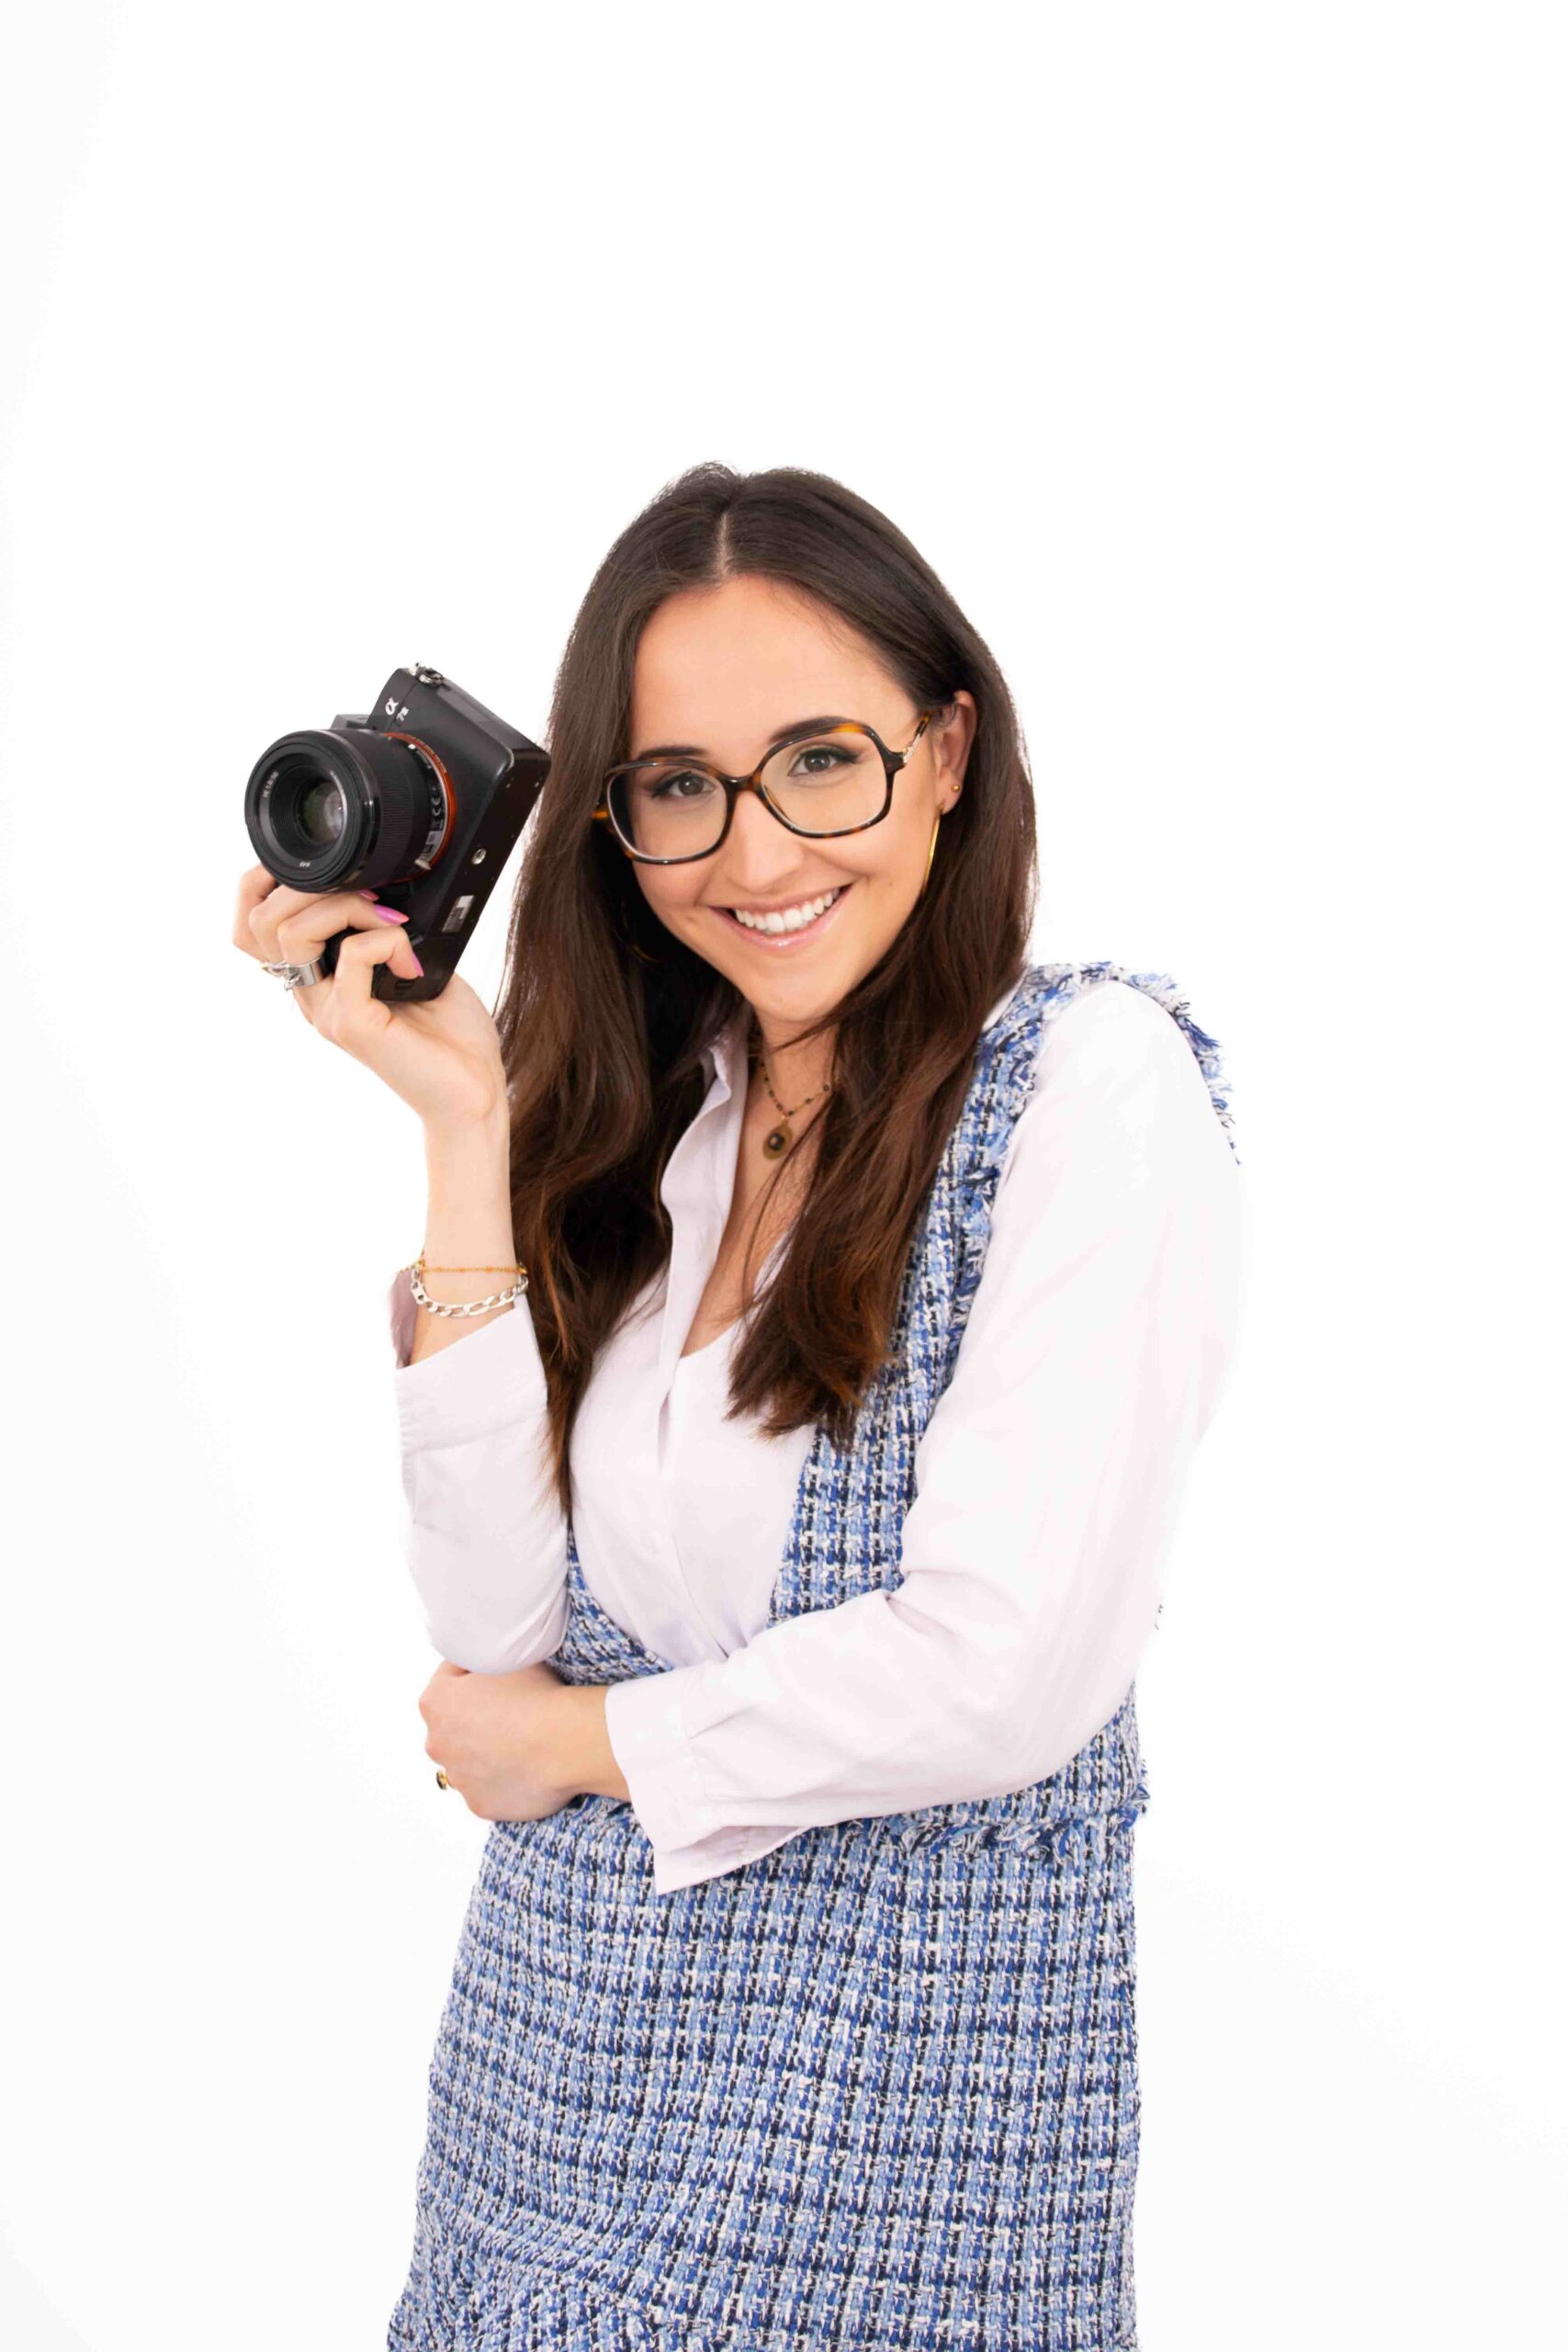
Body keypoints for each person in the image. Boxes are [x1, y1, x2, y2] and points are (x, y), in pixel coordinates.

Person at [233, 462, 1247, 2351]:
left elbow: (1002, 1670)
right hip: (545, 2086)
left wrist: (582, 1743)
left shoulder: (1085, 1088)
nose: (755, 853)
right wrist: (466, 1128)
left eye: (822, 761)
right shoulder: (661, 1113)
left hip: (885, 2147)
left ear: (947, 752)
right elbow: (494, 1629)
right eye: (681, 786)